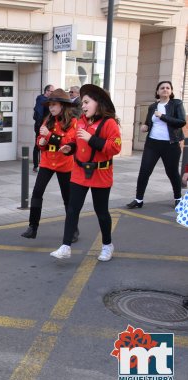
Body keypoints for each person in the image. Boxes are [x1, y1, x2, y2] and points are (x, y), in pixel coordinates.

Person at [50, 84, 122, 261]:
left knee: (101, 211)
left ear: (98, 102)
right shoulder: (81, 120)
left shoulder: (109, 123)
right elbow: (76, 141)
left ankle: (107, 245)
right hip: (80, 172)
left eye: (86, 102)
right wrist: (70, 147)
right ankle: (66, 246)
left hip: (100, 173)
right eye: (82, 103)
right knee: (73, 209)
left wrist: (92, 139)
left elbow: (115, 147)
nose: (83, 106)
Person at [21, 89, 79, 241]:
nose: (51, 108)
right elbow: (41, 138)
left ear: (63, 106)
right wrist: (41, 142)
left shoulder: (73, 122)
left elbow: (69, 142)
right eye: (50, 105)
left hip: (64, 163)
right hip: (47, 161)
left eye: (54, 105)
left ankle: (73, 229)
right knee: (37, 193)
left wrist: (49, 136)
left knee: (67, 198)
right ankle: (32, 227)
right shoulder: (48, 119)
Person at [126, 81, 186, 209]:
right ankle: (138, 200)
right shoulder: (153, 106)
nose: (165, 89)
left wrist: (163, 116)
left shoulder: (176, 104)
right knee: (144, 172)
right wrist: (145, 126)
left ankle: (178, 198)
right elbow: (149, 122)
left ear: (171, 91)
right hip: (152, 144)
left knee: (172, 172)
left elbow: (181, 122)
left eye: (168, 88)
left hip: (171, 144)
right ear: (157, 92)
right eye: (162, 88)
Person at [33, 84, 54, 172]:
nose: (53, 93)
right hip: (41, 126)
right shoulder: (41, 99)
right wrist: (41, 125)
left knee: (46, 144)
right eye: (51, 91)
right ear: (47, 91)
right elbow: (39, 113)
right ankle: (36, 165)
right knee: (38, 144)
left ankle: (44, 164)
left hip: (47, 126)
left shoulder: (50, 100)